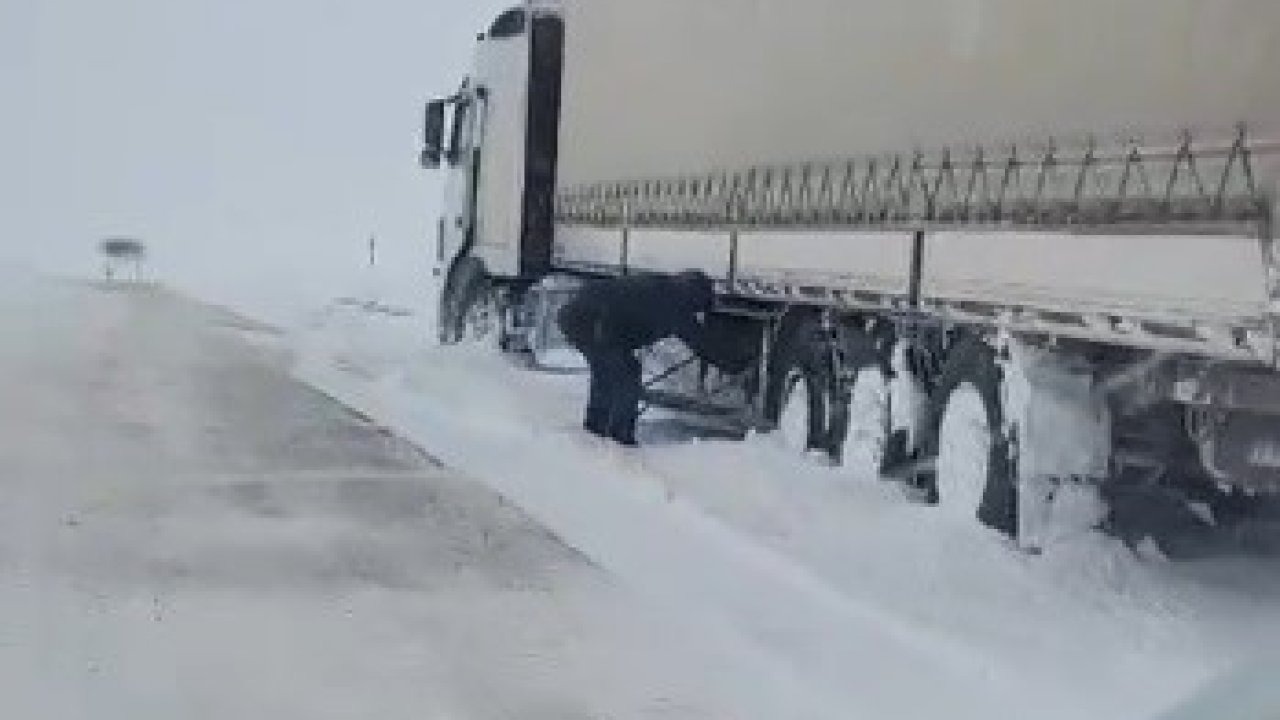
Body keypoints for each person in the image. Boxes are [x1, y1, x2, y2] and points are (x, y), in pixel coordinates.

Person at [557, 270, 717, 446]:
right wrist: (736, 364)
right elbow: (700, 341)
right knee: (627, 376)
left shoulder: (663, 287)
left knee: (605, 376)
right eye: (698, 306)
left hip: (579, 317)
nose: (696, 312)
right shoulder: (675, 303)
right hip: (595, 323)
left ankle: (595, 428)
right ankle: (620, 437)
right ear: (694, 296)